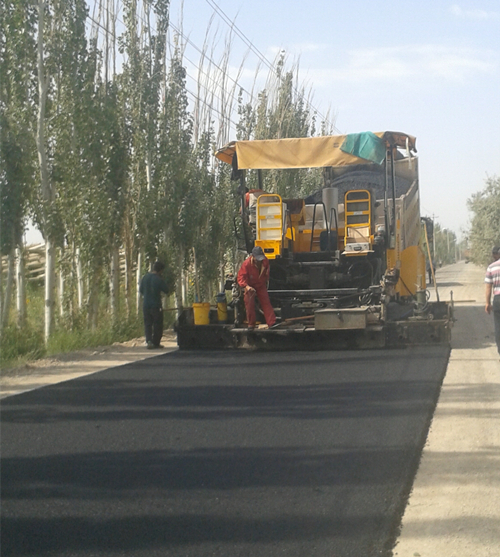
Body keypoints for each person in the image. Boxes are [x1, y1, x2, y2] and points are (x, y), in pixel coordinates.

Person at [237, 246, 276, 330]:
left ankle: (271, 322)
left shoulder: (265, 262)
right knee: (249, 303)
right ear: (253, 257)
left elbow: (266, 274)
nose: (259, 260)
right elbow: (240, 277)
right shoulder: (246, 264)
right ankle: (251, 324)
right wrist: (246, 287)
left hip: (260, 285)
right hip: (250, 286)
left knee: (266, 302)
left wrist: (265, 282)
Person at [139, 260, 169, 349]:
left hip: (146, 305)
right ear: (161, 270)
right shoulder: (158, 279)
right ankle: (156, 342)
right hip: (155, 305)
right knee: (157, 324)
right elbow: (166, 290)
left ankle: (149, 341)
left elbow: (141, 290)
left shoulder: (145, 277)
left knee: (148, 323)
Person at [485, 246, 500, 356]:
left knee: (498, 328)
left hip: (498, 300)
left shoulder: (491, 267)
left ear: (495, 255)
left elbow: (488, 287)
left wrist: (487, 303)